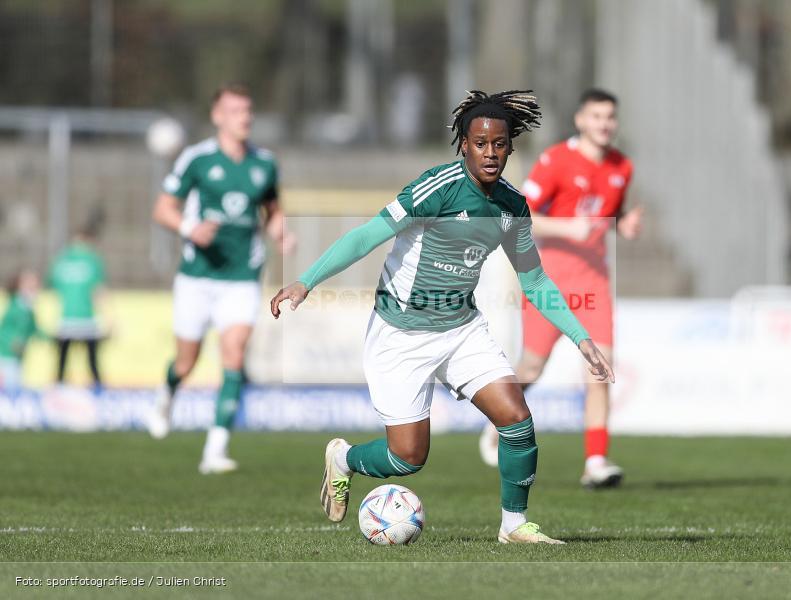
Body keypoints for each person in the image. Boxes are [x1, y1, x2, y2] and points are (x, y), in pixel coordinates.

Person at [271, 90, 614, 544]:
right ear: (463, 145)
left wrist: (580, 338)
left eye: (499, 144)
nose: (490, 153)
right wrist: (307, 281)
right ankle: (345, 459)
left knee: (517, 421)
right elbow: (366, 236)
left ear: (510, 147)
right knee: (407, 458)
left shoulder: (511, 207)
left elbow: (534, 282)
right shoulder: (436, 188)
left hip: (461, 329)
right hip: (400, 335)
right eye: (480, 143)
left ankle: (513, 526)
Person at [478, 88, 642, 489]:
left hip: (594, 281)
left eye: (610, 117)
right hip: (547, 279)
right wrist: (567, 227)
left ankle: (596, 462)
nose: (604, 124)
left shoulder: (622, 167)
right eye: (597, 116)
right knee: (532, 366)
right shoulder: (555, 161)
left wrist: (624, 225)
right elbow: (520, 215)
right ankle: (499, 419)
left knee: (600, 367)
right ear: (581, 120)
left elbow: (609, 214)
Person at [146, 83, 295, 474]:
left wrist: (281, 231)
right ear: (217, 116)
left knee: (233, 354)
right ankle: (167, 393)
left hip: (242, 277)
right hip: (197, 276)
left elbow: (273, 210)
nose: (243, 117)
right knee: (186, 361)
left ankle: (215, 449)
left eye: (247, 111)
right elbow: (162, 209)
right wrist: (190, 228)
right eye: (234, 111)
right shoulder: (196, 159)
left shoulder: (264, 163)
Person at [47, 226, 108, 390]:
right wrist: (109, 317)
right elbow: (98, 291)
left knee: (62, 361)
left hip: (66, 318)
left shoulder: (61, 259)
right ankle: (99, 394)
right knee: (92, 361)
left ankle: (57, 393)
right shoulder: (92, 259)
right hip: (86, 318)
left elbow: (53, 290)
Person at [0, 269, 45, 392]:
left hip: (17, 356)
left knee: (15, 384)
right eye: (30, 285)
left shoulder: (28, 308)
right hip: (6, 355)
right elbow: (6, 329)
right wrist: (13, 341)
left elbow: (33, 328)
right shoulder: (16, 306)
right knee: (10, 387)